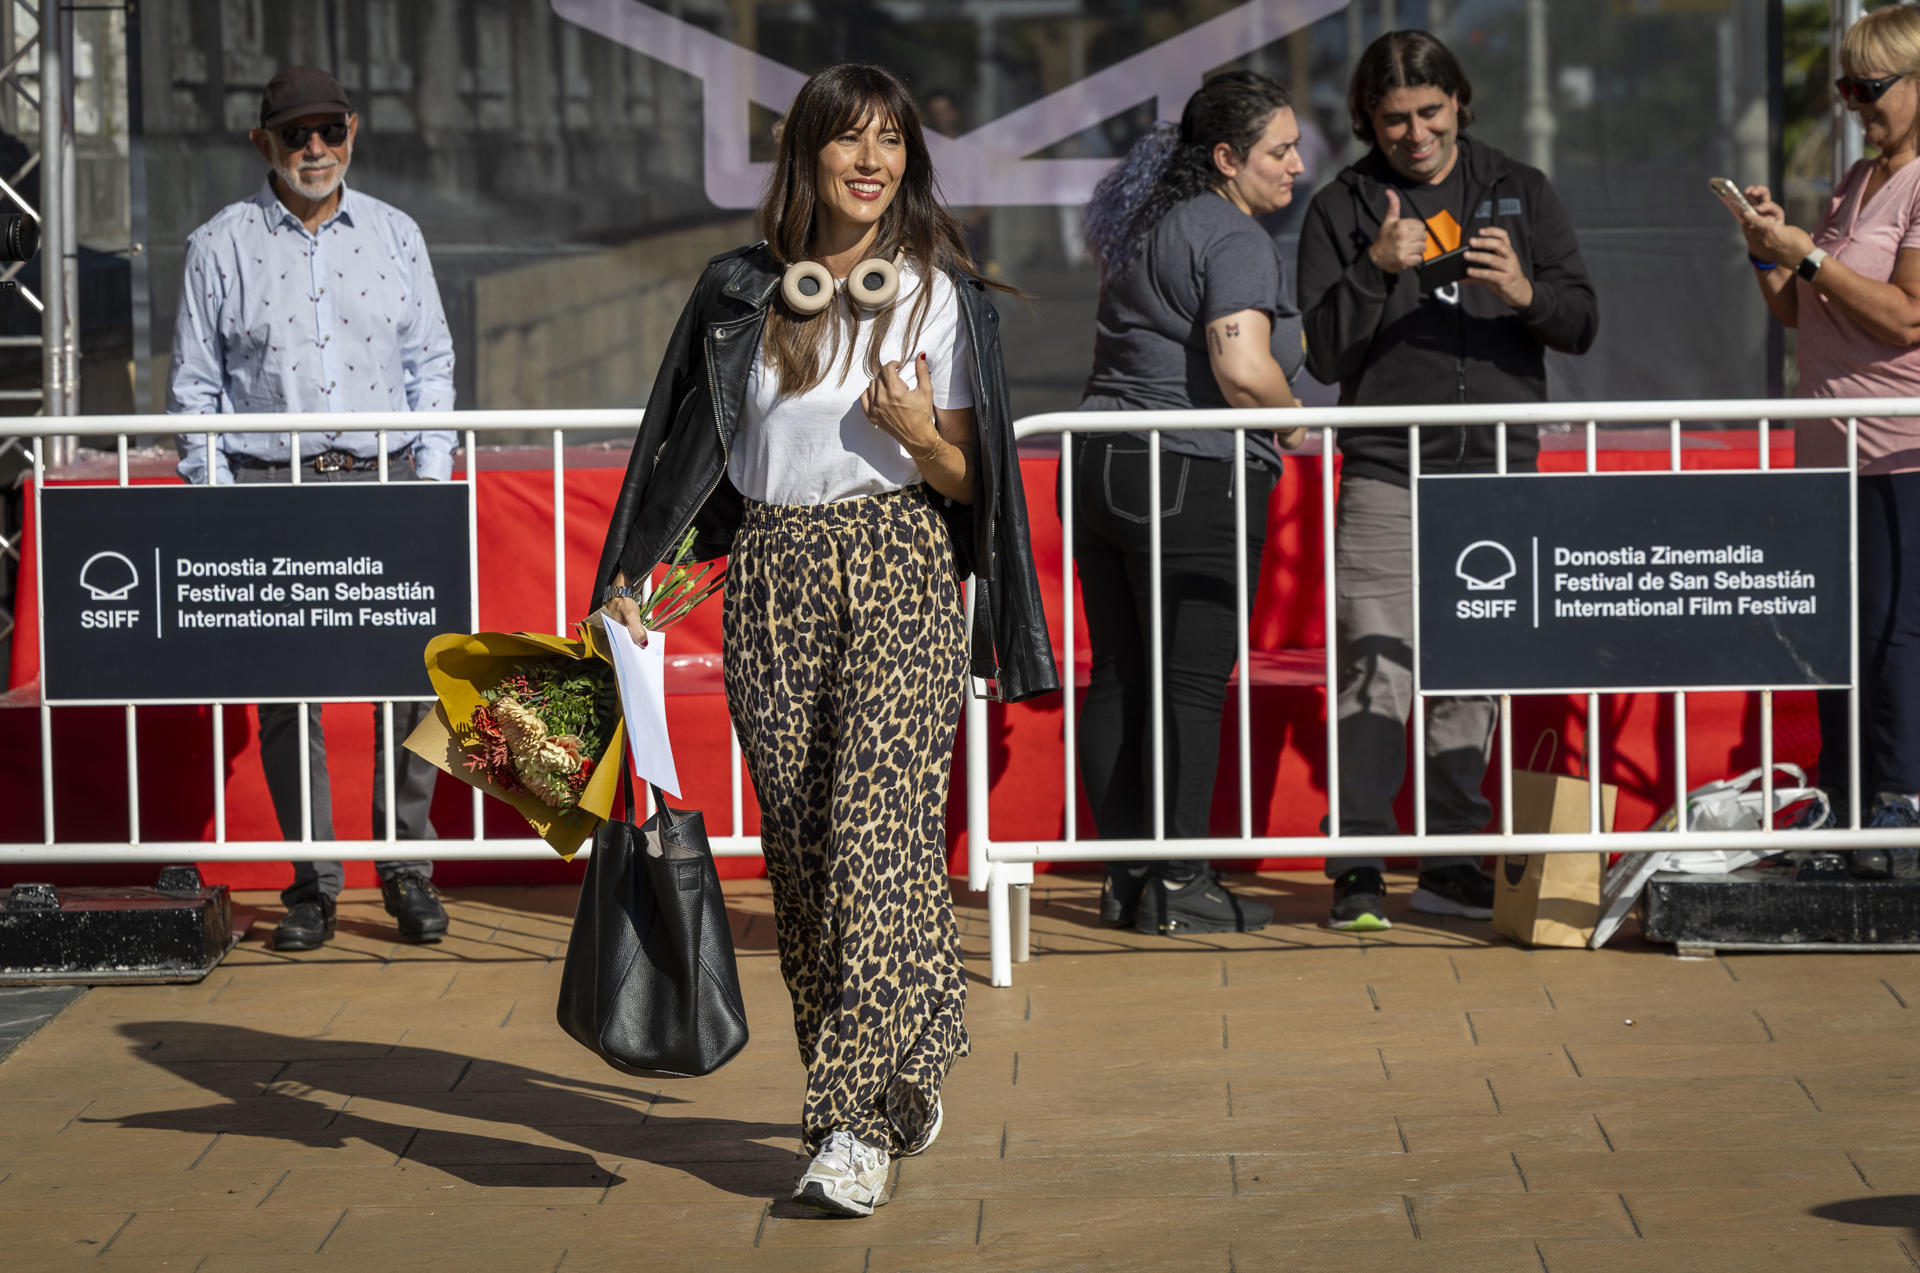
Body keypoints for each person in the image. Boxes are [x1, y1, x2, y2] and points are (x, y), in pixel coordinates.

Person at [593, 63, 1057, 1219]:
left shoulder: (937, 293)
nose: (871, 160)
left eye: (890, 139)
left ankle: (850, 1124)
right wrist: (647, 583)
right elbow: (698, 469)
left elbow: (969, 478)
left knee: (872, 836)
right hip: (772, 579)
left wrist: (916, 433)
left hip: (896, 559)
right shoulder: (739, 291)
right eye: (847, 140)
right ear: (803, 157)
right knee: (802, 863)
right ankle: (912, 1047)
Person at [1298, 30, 1598, 931]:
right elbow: (1321, 353)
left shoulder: (1522, 188)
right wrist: (1376, 270)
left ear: (1459, 102)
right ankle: (1358, 857)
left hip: (1499, 469)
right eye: (1394, 120)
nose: (1416, 134)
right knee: (1374, 665)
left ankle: (1454, 852)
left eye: (1430, 113)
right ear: (1367, 122)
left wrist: (1525, 296)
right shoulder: (1341, 206)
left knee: (1474, 664)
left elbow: (1580, 321)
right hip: (1387, 464)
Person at [167, 66, 456, 951]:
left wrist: (432, 484)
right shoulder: (217, 246)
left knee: (412, 682)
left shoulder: (398, 235)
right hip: (269, 491)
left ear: (353, 133)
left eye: (329, 130)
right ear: (264, 144)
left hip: (388, 478)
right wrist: (217, 508)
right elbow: (195, 394)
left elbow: (430, 369)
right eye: (296, 135)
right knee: (287, 694)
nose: (315, 150)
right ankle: (312, 882)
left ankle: (407, 868)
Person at [1071, 70, 1307, 937]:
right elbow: (1242, 367)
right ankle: (1180, 882)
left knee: (1122, 677)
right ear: (1225, 158)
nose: (1297, 165)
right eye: (1280, 150)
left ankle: (1128, 879)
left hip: (1097, 466)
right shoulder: (1231, 236)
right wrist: (1295, 424)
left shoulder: (1145, 226)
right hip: (1186, 471)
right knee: (1192, 686)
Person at [1736, 3, 1920, 877]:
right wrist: (1769, 251)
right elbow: (1805, 310)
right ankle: (1844, 806)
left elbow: (1907, 318)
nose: (1852, 101)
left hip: (1899, 453)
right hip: (1831, 453)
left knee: (1891, 637)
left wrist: (1808, 256)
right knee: (1838, 639)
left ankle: (1899, 806)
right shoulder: (1857, 177)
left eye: (1869, 86)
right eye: (1844, 86)